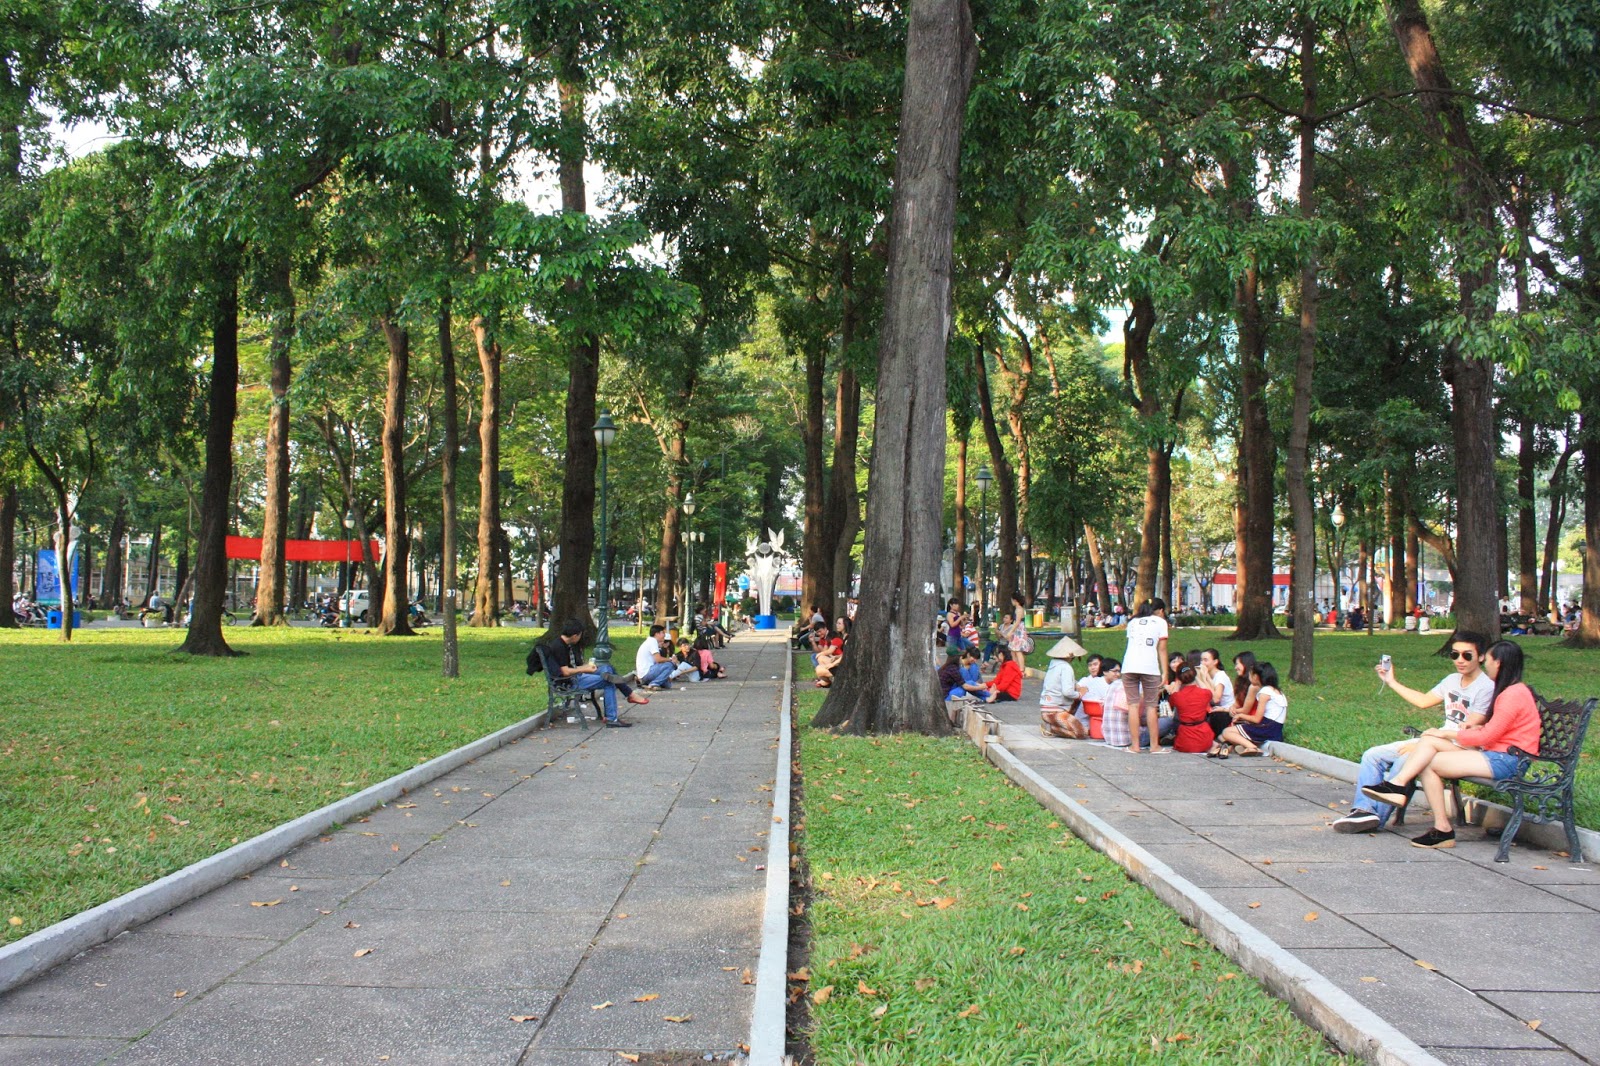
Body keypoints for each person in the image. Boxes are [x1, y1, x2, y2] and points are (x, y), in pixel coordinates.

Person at [1362, 641, 1540, 849]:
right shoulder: (1511, 690)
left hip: (1507, 760)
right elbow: (1496, 731)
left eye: (1489, 661)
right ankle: (1400, 788)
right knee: (1429, 742)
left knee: (1429, 762)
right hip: (1497, 754)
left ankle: (1441, 827)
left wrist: (1448, 733)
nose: (1487, 666)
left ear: (1498, 663)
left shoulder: (1512, 694)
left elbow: (1488, 736)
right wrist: (1473, 727)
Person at [1332, 631, 1494, 834]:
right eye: (1455, 654)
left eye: (1467, 655)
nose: (1460, 660)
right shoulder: (1452, 680)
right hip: (1434, 740)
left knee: (1404, 760)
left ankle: (1375, 819)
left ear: (1481, 657)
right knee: (1372, 755)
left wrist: (1420, 744)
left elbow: (1468, 730)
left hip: (1460, 748)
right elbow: (1423, 701)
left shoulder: (1486, 687)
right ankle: (1363, 810)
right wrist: (1391, 681)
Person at [545, 620, 647, 728]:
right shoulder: (559, 646)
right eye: (580, 635)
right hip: (568, 682)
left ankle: (608, 675)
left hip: (575, 676)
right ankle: (613, 716)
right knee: (608, 682)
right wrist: (585, 669)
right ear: (575, 636)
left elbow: (572, 666)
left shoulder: (567, 644)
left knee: (607, 668)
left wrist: (587, 667)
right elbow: (565, 671)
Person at [1120, 598, 1169, 754]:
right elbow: (1162, 649)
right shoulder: (1161, 622)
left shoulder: (1132, 622)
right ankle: (1154, 746)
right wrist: (1165, 672)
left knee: (1133, 705)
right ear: (1160, 611)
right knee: (1151, 706)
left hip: (1128, 666)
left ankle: (1135, 746)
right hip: (1150, 667)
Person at [1218, 661, 1286, 756]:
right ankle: (1244, 747)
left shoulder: (1264, 693)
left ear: (1256, 677)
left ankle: (1252, 748)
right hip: (1276, 730)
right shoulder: (1277, 691)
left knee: (1227, 732)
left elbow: (1257, 719)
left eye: (1250, 674)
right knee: (1227, 735)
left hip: (1267, 728)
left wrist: (1240, 715)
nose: (1249, 676)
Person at [1038, 636, 1084, 736]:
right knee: (1081, 732)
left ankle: (1053, 726)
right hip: (1056, 710)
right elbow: (1067, 692)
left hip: (1045, 709)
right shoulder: (1066, 667)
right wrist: (1080, 694)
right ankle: (1054, 729)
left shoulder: (1053, 666)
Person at [1169, 665, 1215, 753]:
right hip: (1204, 735)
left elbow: (1172, 697)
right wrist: (1197, 678)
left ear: (1179, 678)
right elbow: (1208, 690)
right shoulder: (1205, 693)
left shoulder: (1176, 696)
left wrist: (1177, 683)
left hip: (1185, 739)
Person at [634, 624, 676, 689]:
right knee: (670, 665)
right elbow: (658, 660)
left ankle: (645, 683)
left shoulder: (651, 641)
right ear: (657, 634)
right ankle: (654, 683)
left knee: (668, 685)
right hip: (647, 672)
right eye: (663, 633)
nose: (664, 635)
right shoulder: (652, 642)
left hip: (646, 673)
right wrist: (671, 659)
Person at [1100, 661, 1129, 748]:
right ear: (1105, 672)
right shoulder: (1126, 685)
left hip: (1108, 737)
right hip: (1126, 738)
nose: (1118, 674)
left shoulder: (1113, 685)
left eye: (1119, 671)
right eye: (1115, 671)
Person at [1005, 594, 1032, 666]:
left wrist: (1010, 632)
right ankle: (1016, 666)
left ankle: (1021, 668)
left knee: (1018, 651)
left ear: (1015, 600)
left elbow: (1017, 622)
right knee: (1013, 650)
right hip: (1017, 631)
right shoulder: (1017, 609)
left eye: (1012, 600)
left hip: (1019, 632)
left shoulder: (1019, 609)